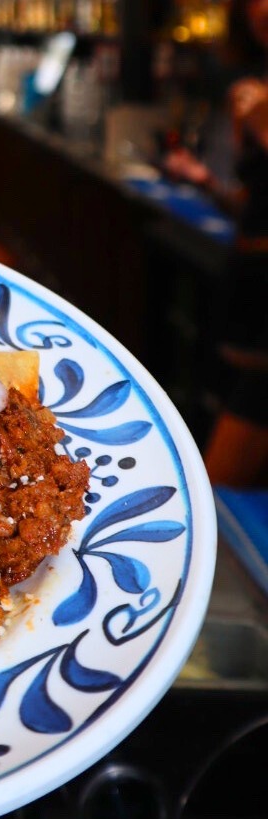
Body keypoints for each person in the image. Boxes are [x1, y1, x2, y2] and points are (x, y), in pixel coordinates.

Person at [164, 0, 268, 486]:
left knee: (222, 477)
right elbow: (252, 204)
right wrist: (207, 182)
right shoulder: (249, 89)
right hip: (246, 282)